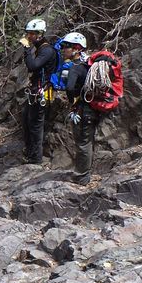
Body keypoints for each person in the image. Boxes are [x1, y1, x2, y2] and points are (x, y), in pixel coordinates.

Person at [59, 32, 97, 185]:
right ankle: (85, 173)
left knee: (82, 142)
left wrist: (72, 102)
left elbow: (69, 88)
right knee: (87, 140)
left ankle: (82, 176)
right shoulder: (88, 65)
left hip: (82, 108)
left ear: (76, 49)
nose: (63, 49)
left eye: (66, 46)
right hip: (92, 106)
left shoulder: (75, 67)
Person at [21, 18, 57, 165]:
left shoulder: (47, 50)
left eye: (32, 34)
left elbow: (33, 66)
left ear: (40, 34)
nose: (29, 36)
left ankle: (36, 159)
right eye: (28, 34)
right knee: (26, 120)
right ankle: (30, 153)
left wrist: (26, 49)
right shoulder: (41, 48)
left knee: (35, 125)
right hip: (36, 90)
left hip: (41, 91)